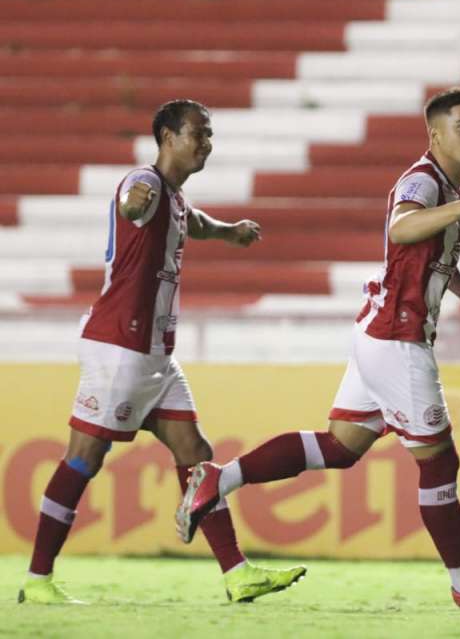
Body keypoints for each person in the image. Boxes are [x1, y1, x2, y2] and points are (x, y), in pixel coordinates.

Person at [176, 87, 460, 610]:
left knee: (341, 447)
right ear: (435, 134)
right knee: (439, 461)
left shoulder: (448, 189)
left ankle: (217, 477)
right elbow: (402, 225)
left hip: (378, 333)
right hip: (396, 340)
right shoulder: (424, 181)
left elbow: (431, 256)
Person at [18, 99, 306, 605]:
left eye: (211, 135)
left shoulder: (172, 198)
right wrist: (134, 200)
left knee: (196, 456)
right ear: (168, 137)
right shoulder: (146, 183)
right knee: (84, 459)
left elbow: (192, 221)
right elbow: (135, 197)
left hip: (155, 354)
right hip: (118, 349)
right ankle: (38, 580)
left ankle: (237, 574)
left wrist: (230, 232)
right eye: (199, 133)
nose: (207, 144)